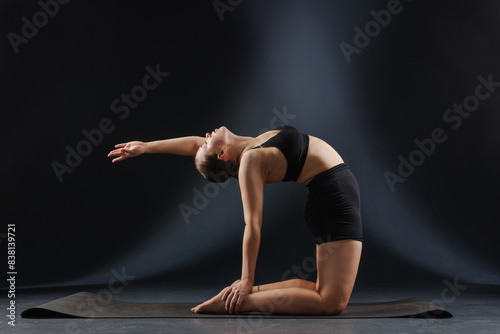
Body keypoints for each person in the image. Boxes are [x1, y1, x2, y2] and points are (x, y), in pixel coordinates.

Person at [107, 125, 363, 315]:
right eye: (207, 144)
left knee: (318, 289)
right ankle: (240, 301)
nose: (204, 137)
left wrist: (146, 147)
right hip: (333, 199)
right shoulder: (250, 160)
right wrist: (245, 280)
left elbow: (194, 144)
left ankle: (245, 295)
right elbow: (252, 225)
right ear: (222, 155)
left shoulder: (251, 145)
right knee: (331, 303)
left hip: (333, 193)